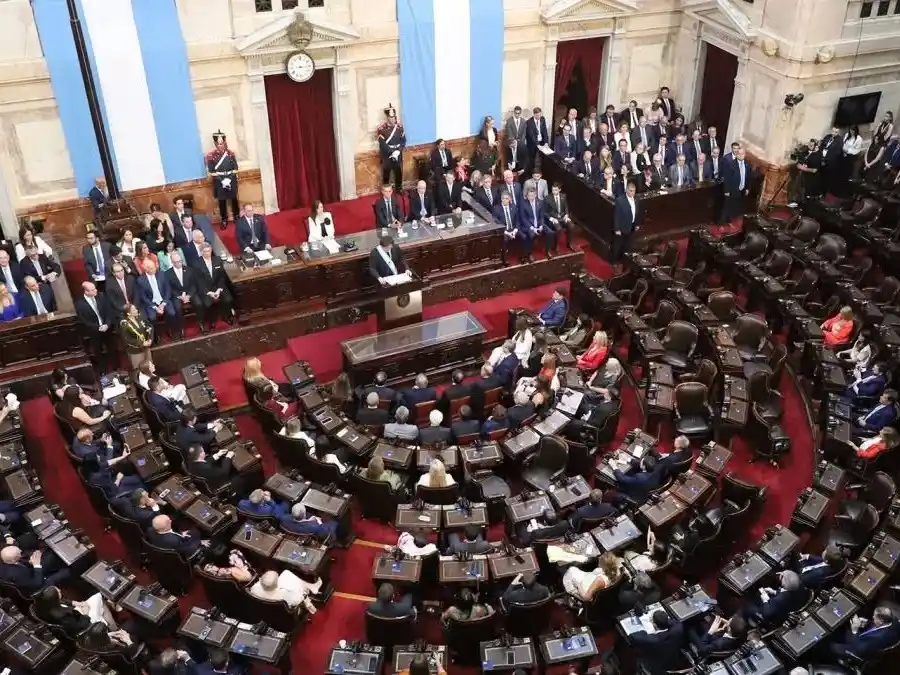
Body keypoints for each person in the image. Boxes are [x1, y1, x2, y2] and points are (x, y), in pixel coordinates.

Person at [34, 585, 118, 636]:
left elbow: (61, 601)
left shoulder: (44, 604)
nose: (60, 590)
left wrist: (75, 603)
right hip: (88, 625)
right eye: (58, 592)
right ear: (55, 599)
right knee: (98, 597)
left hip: (76, 614)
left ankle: (110, 608)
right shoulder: (64, 618)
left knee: (98, 599)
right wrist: (86, 612)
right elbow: (82, 625)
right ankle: (115, 630)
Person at [829, 605, 900, 660]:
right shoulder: (895, 621)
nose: (872, 617)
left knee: (832, 646)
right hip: (867, 641)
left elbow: (859, 649)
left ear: (881, 621)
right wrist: (868, 622)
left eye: (874, 617)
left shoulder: (878, 637)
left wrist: (854, 630)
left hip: (859, 650)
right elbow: (880, 626)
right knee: (845, 627)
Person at [192, 243, 235, 329]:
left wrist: (219, 289)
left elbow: (222, 277)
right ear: (201, 252)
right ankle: (212, 320)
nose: (207, 253)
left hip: (218, 286)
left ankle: (226, 316)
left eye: (209, 251)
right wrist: (209, 292)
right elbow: (198, 281)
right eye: (205, 251)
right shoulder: (196, 264)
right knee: (208, 303)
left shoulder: (217, 260)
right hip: (206, 289)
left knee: (228, 299)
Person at [630, 610, 685, 675]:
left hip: (656, 667)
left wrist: (646, 630)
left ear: (654, 624)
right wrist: (663, 621)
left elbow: (633, 636)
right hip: (672, 660)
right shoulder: (678, 628)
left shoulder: (654, 640)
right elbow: (674, 622)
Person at [0, 544, 70, 592]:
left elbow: (18, 562)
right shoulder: (18, 575)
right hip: (37, 585)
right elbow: (36, 584)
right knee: (66, 571)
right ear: (13, 560)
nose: (21, 552)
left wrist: (30, 562)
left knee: (49, 558)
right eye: (19, 553)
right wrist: (36, 565)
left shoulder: (6, 561)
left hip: (30, 572)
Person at [207, 130, 240, 228]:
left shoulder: (230, 154)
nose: (220, 145)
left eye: (222, 143)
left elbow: (235, 168)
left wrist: (229, 179)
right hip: (219, 181)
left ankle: (236, 216)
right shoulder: (211, 155)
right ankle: (224, 219)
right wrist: (222, 180)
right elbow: (212, 171)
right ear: (216, 144)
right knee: (222, 201)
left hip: (231, 179)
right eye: (218, 144)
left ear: (224, 143)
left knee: (234, 199)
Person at [249, 569, 320, 614]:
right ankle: (311, 587)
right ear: (277, 584)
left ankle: (310, 586)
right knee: (295, 586)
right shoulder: (286, 595)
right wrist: (303, 592)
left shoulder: (254, 589)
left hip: (269, 611)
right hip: (289, 612)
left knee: (286, 573)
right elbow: (299, 599)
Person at [377, 105, 406, 191]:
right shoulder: (382, 129)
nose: (393, 119)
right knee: (386, 173)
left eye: (394, 117)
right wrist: (392, 152)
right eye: (390, 117)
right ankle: (385, 190)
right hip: (387, 154)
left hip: (397, 153)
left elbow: (403, 140)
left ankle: (399, 188)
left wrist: (398, 151)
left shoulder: (399, 128)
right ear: (387, 117)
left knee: (398, 172)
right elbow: (382, 143)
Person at [721, 147, 751, 224]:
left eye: (742, 154)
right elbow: (727, 179)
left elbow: (748, 177)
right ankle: (724, 223)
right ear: (736, 154)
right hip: (732, 190)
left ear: (745, 155)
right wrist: (727, 191)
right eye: (739, 153)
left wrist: (747, 188)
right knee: (728, 207)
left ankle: (734, 220)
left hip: (742, 190)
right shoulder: (731, 164)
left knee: (737, 206)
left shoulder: (747, 164)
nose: (741, 155)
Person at [613, 182, 641, 264]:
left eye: (634, 191)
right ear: (626, 190)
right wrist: (617, 229)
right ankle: (614, 262)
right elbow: (617, 216)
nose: (632, 193)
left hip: (631, 226)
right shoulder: (620, 200)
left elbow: (637, 212)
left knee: (628, 245)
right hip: (622, 227)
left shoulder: (636, 199)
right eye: (631, 191)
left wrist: (637, 224)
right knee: (618, 246)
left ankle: (624, 261)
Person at [119, 303, 154, 368]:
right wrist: (142, 343)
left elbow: (149, 327)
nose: (136, 310)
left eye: (135, 308)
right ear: (128, 314)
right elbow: (127, 340)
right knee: (139, 369)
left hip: (146, 346)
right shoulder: (124, 324)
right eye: (134, 310)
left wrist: (150, 339)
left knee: (150, 367)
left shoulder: (140, 316)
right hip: (136, 351)